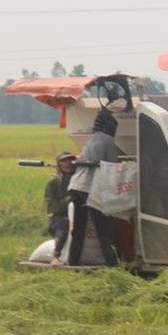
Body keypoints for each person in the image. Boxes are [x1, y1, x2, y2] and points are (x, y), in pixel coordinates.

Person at [66, 109, 120, 267]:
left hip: (76, 187)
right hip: (91, 189)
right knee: (104, 228)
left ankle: (73, 263)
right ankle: (112, 264)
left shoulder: (91, 140)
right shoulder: (108, 140)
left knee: (79, 229)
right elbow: (112, 165)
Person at [46, 151, 76, 267]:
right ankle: (56, 255)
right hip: (60, 219)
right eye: (64, 161)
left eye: (70, 160)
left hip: (78, 215)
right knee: (65, 223)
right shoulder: (53, 182)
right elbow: (53, 207)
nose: (68, 163)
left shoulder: (78, 178)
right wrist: (71, 198)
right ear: (59, 164)